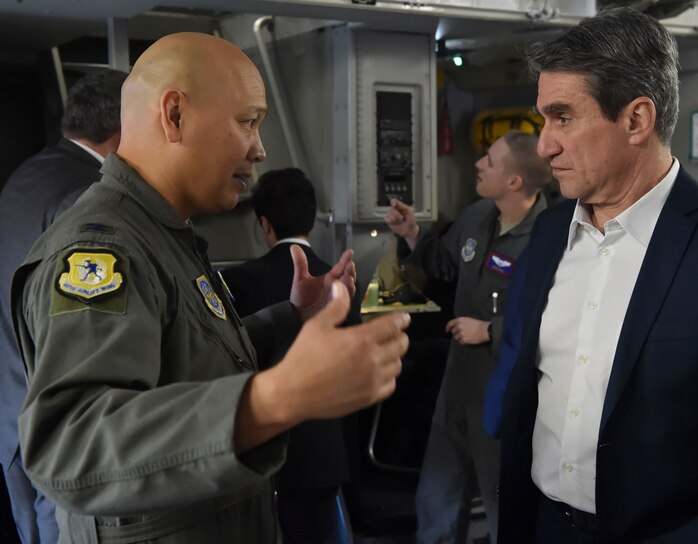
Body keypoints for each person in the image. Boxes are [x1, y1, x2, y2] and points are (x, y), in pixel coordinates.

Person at [10, 32, 409, 543]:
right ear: (174, 116)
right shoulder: (103, 251)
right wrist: (275, 398)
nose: (260, 149)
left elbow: (184, 360)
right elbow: (71, 444)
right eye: (247, 122)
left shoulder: (163, 234)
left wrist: (292, 318)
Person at [498, 7, 698, 543]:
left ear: (636, 120)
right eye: (543, 120)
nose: (544, 145)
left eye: (563, 118)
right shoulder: (551, 230)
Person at [384, 130, 552, 544]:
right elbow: (445, 262)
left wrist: (490, 330)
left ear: (515, 182)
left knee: (503, 507)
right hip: (457, 385)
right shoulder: (477, 215)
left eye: (490, 161)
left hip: (502, 397)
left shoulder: (549, 238)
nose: (478, 164)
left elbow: (555, 320)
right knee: (438, 498)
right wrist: (412, 236)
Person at [0, 68, 126, 544]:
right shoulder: (88, 196)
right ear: (125, 127)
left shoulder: (27, 174)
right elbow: (87, 333)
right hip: (58, 429)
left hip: (11, 409)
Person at [220, 167, 358, 544]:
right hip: (323, 449)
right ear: (312, 217)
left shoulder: (237, 281)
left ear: (265, 224)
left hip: (258, 447)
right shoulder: (340, 279)